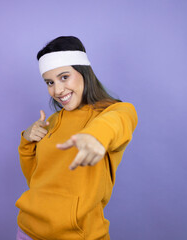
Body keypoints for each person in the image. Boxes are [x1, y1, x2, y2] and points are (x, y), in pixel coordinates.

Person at [15, 36, 138, 240]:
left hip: (79, 235)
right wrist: (27, 141)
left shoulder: (113, 112)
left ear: (83, 72)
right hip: (28, 231)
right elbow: (36, 181)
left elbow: (119, 121)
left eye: (64, 77)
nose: (57, 90)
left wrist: (94, 136)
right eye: (50, 82)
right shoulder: (51, 122)